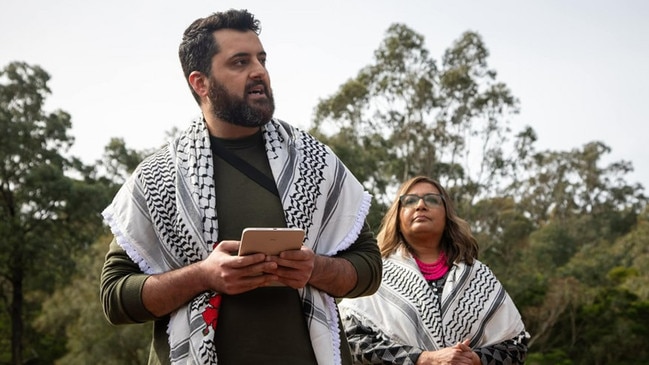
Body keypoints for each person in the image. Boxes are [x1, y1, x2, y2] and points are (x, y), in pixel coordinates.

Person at [99, 9, 381, 365]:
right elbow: (114, 298)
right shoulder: (158, 177)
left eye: (261, 59)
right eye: (239, 62)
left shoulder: (314, 161)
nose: (259, 71)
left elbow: (369, 266)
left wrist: (316, 269)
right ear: (200, 83)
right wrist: (204, 275)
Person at [338, 176, 529, 365]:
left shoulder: (479, 276)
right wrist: (422, 359)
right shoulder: (377, 275)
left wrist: (475, 359)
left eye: (432, 199)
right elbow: (349, 340)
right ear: (397, 215)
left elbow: (516, 344)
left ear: (446, 213)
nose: (421, 205)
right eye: (410, 200)